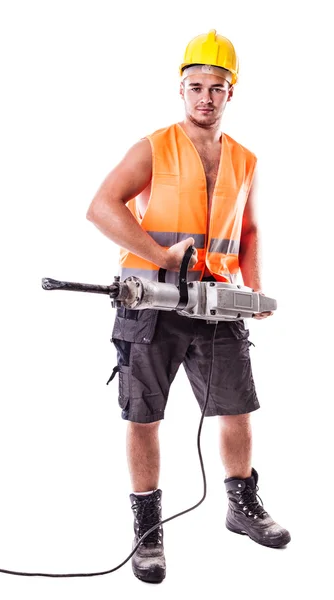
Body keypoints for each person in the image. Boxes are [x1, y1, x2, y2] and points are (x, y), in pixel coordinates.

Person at [86, 29, 290, 584]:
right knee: (144, 415)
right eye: (195, 86)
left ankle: (240, 505)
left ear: (231, 94)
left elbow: (247, 228)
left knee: (235, 408)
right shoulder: (154, 146)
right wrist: (159, 254)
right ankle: (148, 532)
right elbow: (101, 207)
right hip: (150, 302)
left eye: (216, 88)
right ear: (181, 89)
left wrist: (253, 288)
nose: (205, 97)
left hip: (218, 303)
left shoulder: (244, 160)